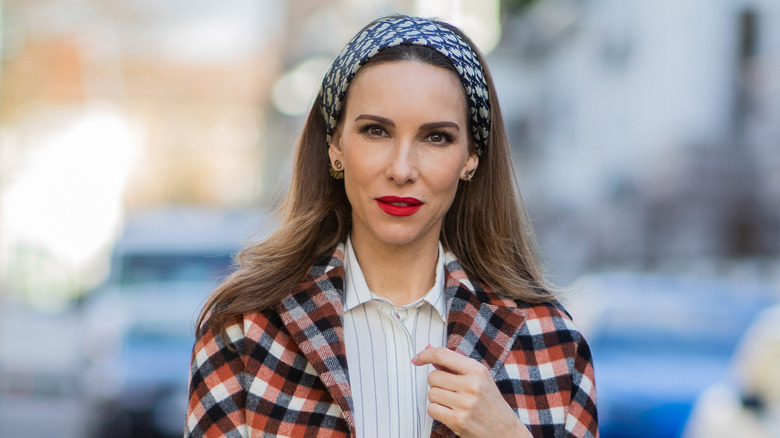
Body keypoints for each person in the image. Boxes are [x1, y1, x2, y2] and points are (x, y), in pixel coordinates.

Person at [185, 15, 598, 438]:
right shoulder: (245, 327)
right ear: (335, 146)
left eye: (435, 137)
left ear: (471, 158)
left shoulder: (550, 341)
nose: (402, 170)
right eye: (376, 131)